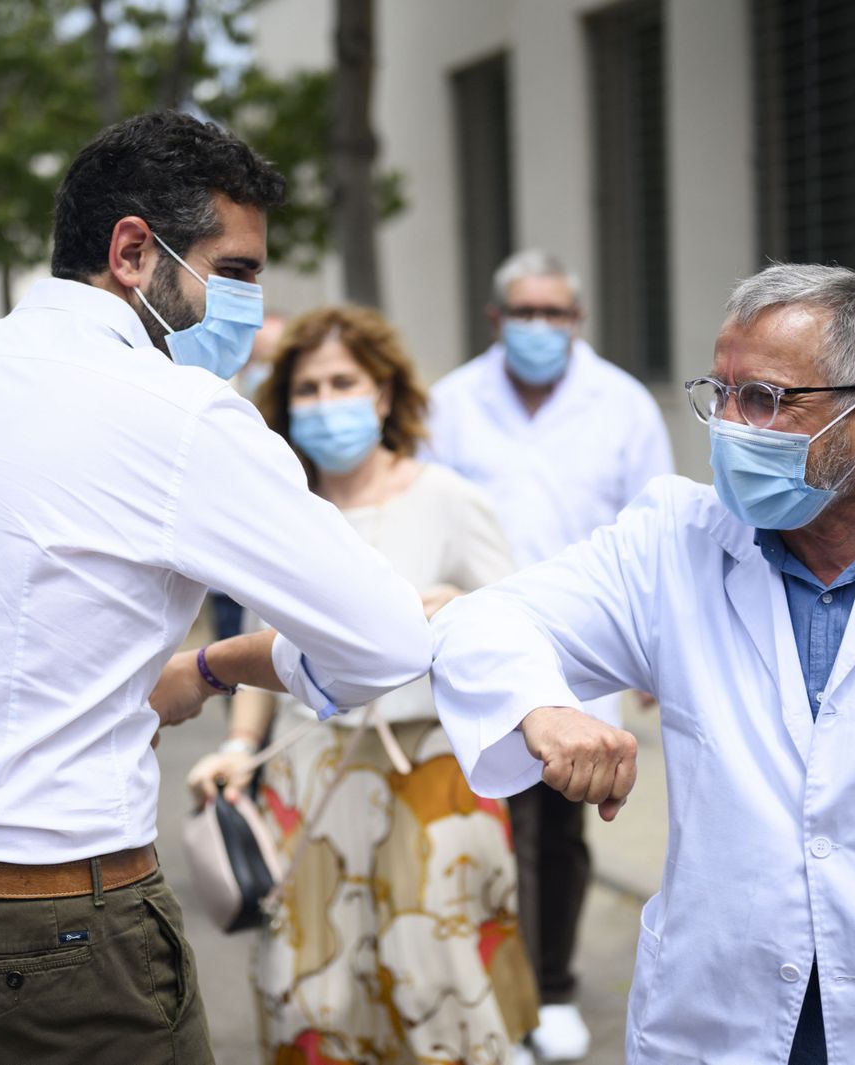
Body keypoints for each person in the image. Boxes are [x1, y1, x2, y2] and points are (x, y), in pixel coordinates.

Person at [0, 111, 433, 1065]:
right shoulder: (183, 417)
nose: (251, 308)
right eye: (234, 271)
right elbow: (387, 638)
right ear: (134, 252)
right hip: (49, 927)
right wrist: (225, 663)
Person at [430, 263, 855, 1063]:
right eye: (719, 393)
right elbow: (484, 620)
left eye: (762, 398)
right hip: (725, 1026)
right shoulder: (672, 542)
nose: (728, 424)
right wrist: (540, 706)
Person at [185, 305, 540, 1065]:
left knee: (439, 981)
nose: (325, 402)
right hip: (309, 774)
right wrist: (239, 749)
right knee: (309, 981)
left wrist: (461, 607)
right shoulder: (284, 513)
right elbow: (265, 652)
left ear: (382, 392)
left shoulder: (448, 498)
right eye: (307, 388)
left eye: (342, 382)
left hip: (435, 772)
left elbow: (523, 629)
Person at [425, 247, 673, 1060]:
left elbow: (654, 532)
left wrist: (654, 655)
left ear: (578, 319)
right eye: (524, 312)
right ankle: (487, 990)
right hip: (474, 644)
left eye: (554, 312)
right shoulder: (452, 402)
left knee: (558, 830)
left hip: (583, 657)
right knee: (479, 828)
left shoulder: (623, 405)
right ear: (496, 318)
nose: (540, 326)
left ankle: (554, 986)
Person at [206, 310, 290, 648]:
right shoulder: (218, 416)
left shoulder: (303, 430)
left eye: (274, 361)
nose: (264, 372)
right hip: (231, 584)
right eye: (257, 360)